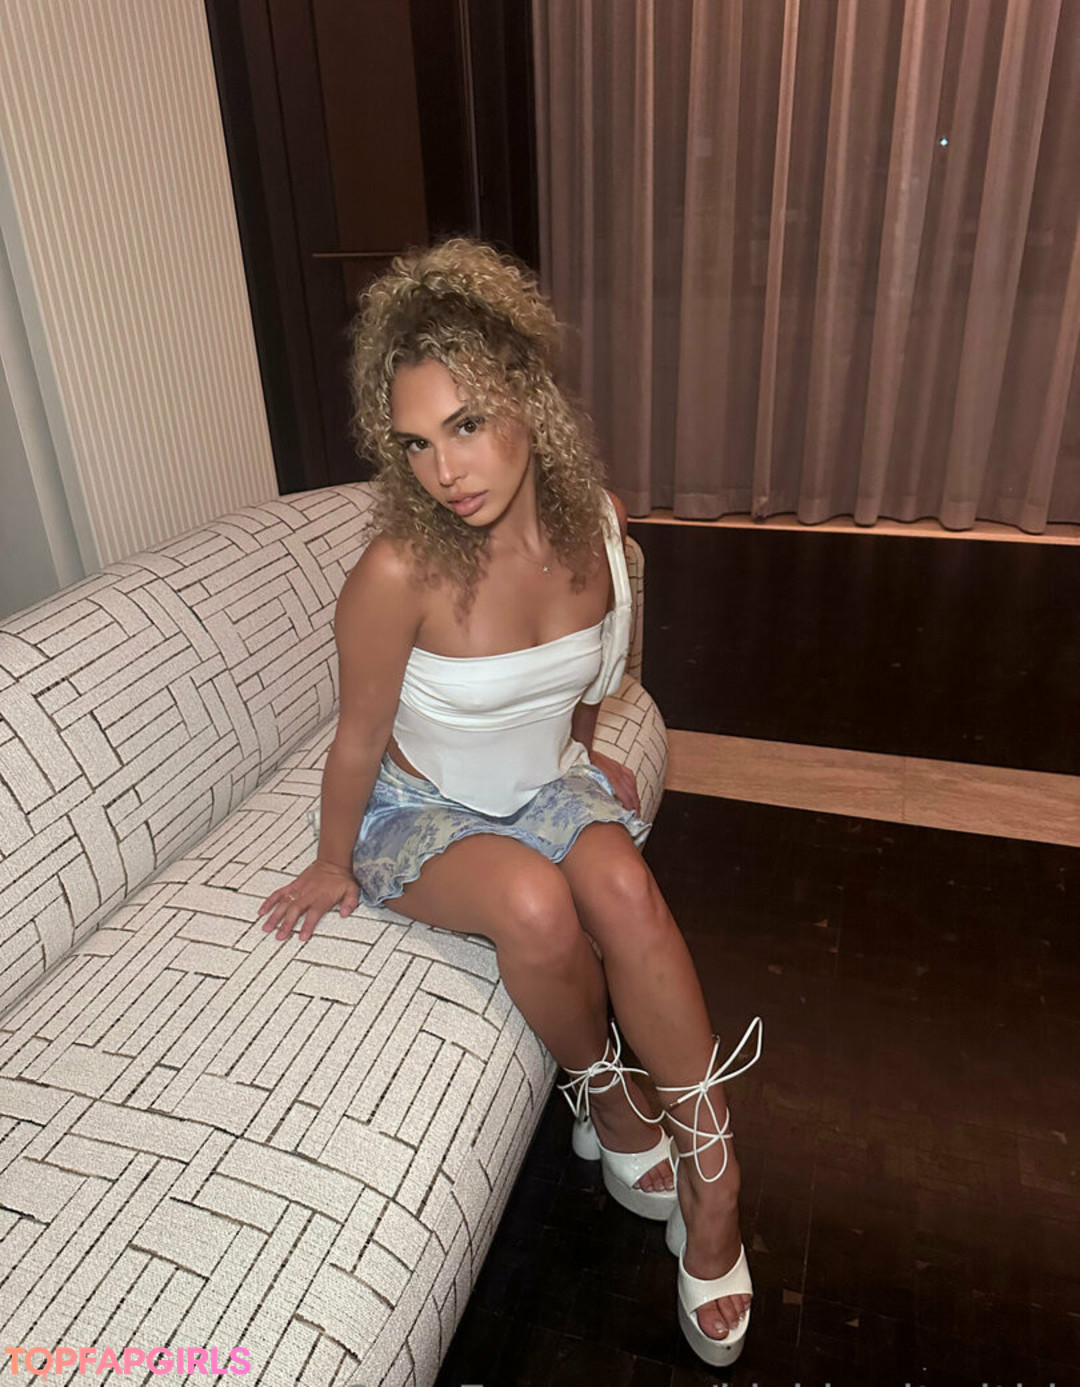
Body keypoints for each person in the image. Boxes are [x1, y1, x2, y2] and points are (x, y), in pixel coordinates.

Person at [254, 237, 763, 1368]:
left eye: (468, 424)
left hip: (541, 785)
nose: (445, 469)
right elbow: (357, 738)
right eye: (416, 442)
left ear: (529, 398)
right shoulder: (397, 571)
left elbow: (579, 679)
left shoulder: (599, 533)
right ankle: (607, 1094)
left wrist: (583, 754)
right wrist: (334, 859)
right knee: (536, 903)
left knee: (625, 885)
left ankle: (716, 1177)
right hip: (419, 811)